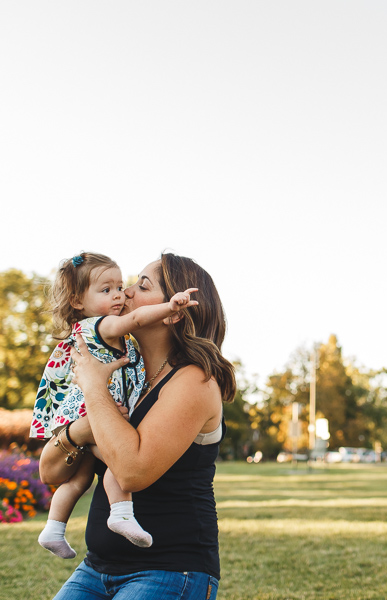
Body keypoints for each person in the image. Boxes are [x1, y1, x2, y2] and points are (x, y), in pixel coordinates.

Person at [40, 253, 235, 600]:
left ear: (173, 312)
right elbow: (50, 471)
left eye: (141, 285)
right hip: (96, 568)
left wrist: (94, 388)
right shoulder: (131, 379)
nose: (126, 293)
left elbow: (131, 472)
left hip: (170, 570)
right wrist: (81, 431)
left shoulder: (194, 382)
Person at [32, 252, 198, 558]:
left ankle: (53, 529)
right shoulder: (103, 325)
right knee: (113, 461)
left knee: (80, 477)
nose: (122, 295)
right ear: (78, 301)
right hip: (86, 409)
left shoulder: (188, 381)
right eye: (107, 290)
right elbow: (134, 319)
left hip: (77, 412)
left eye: (125, 286)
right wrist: (169, 306)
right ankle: (121, 513)